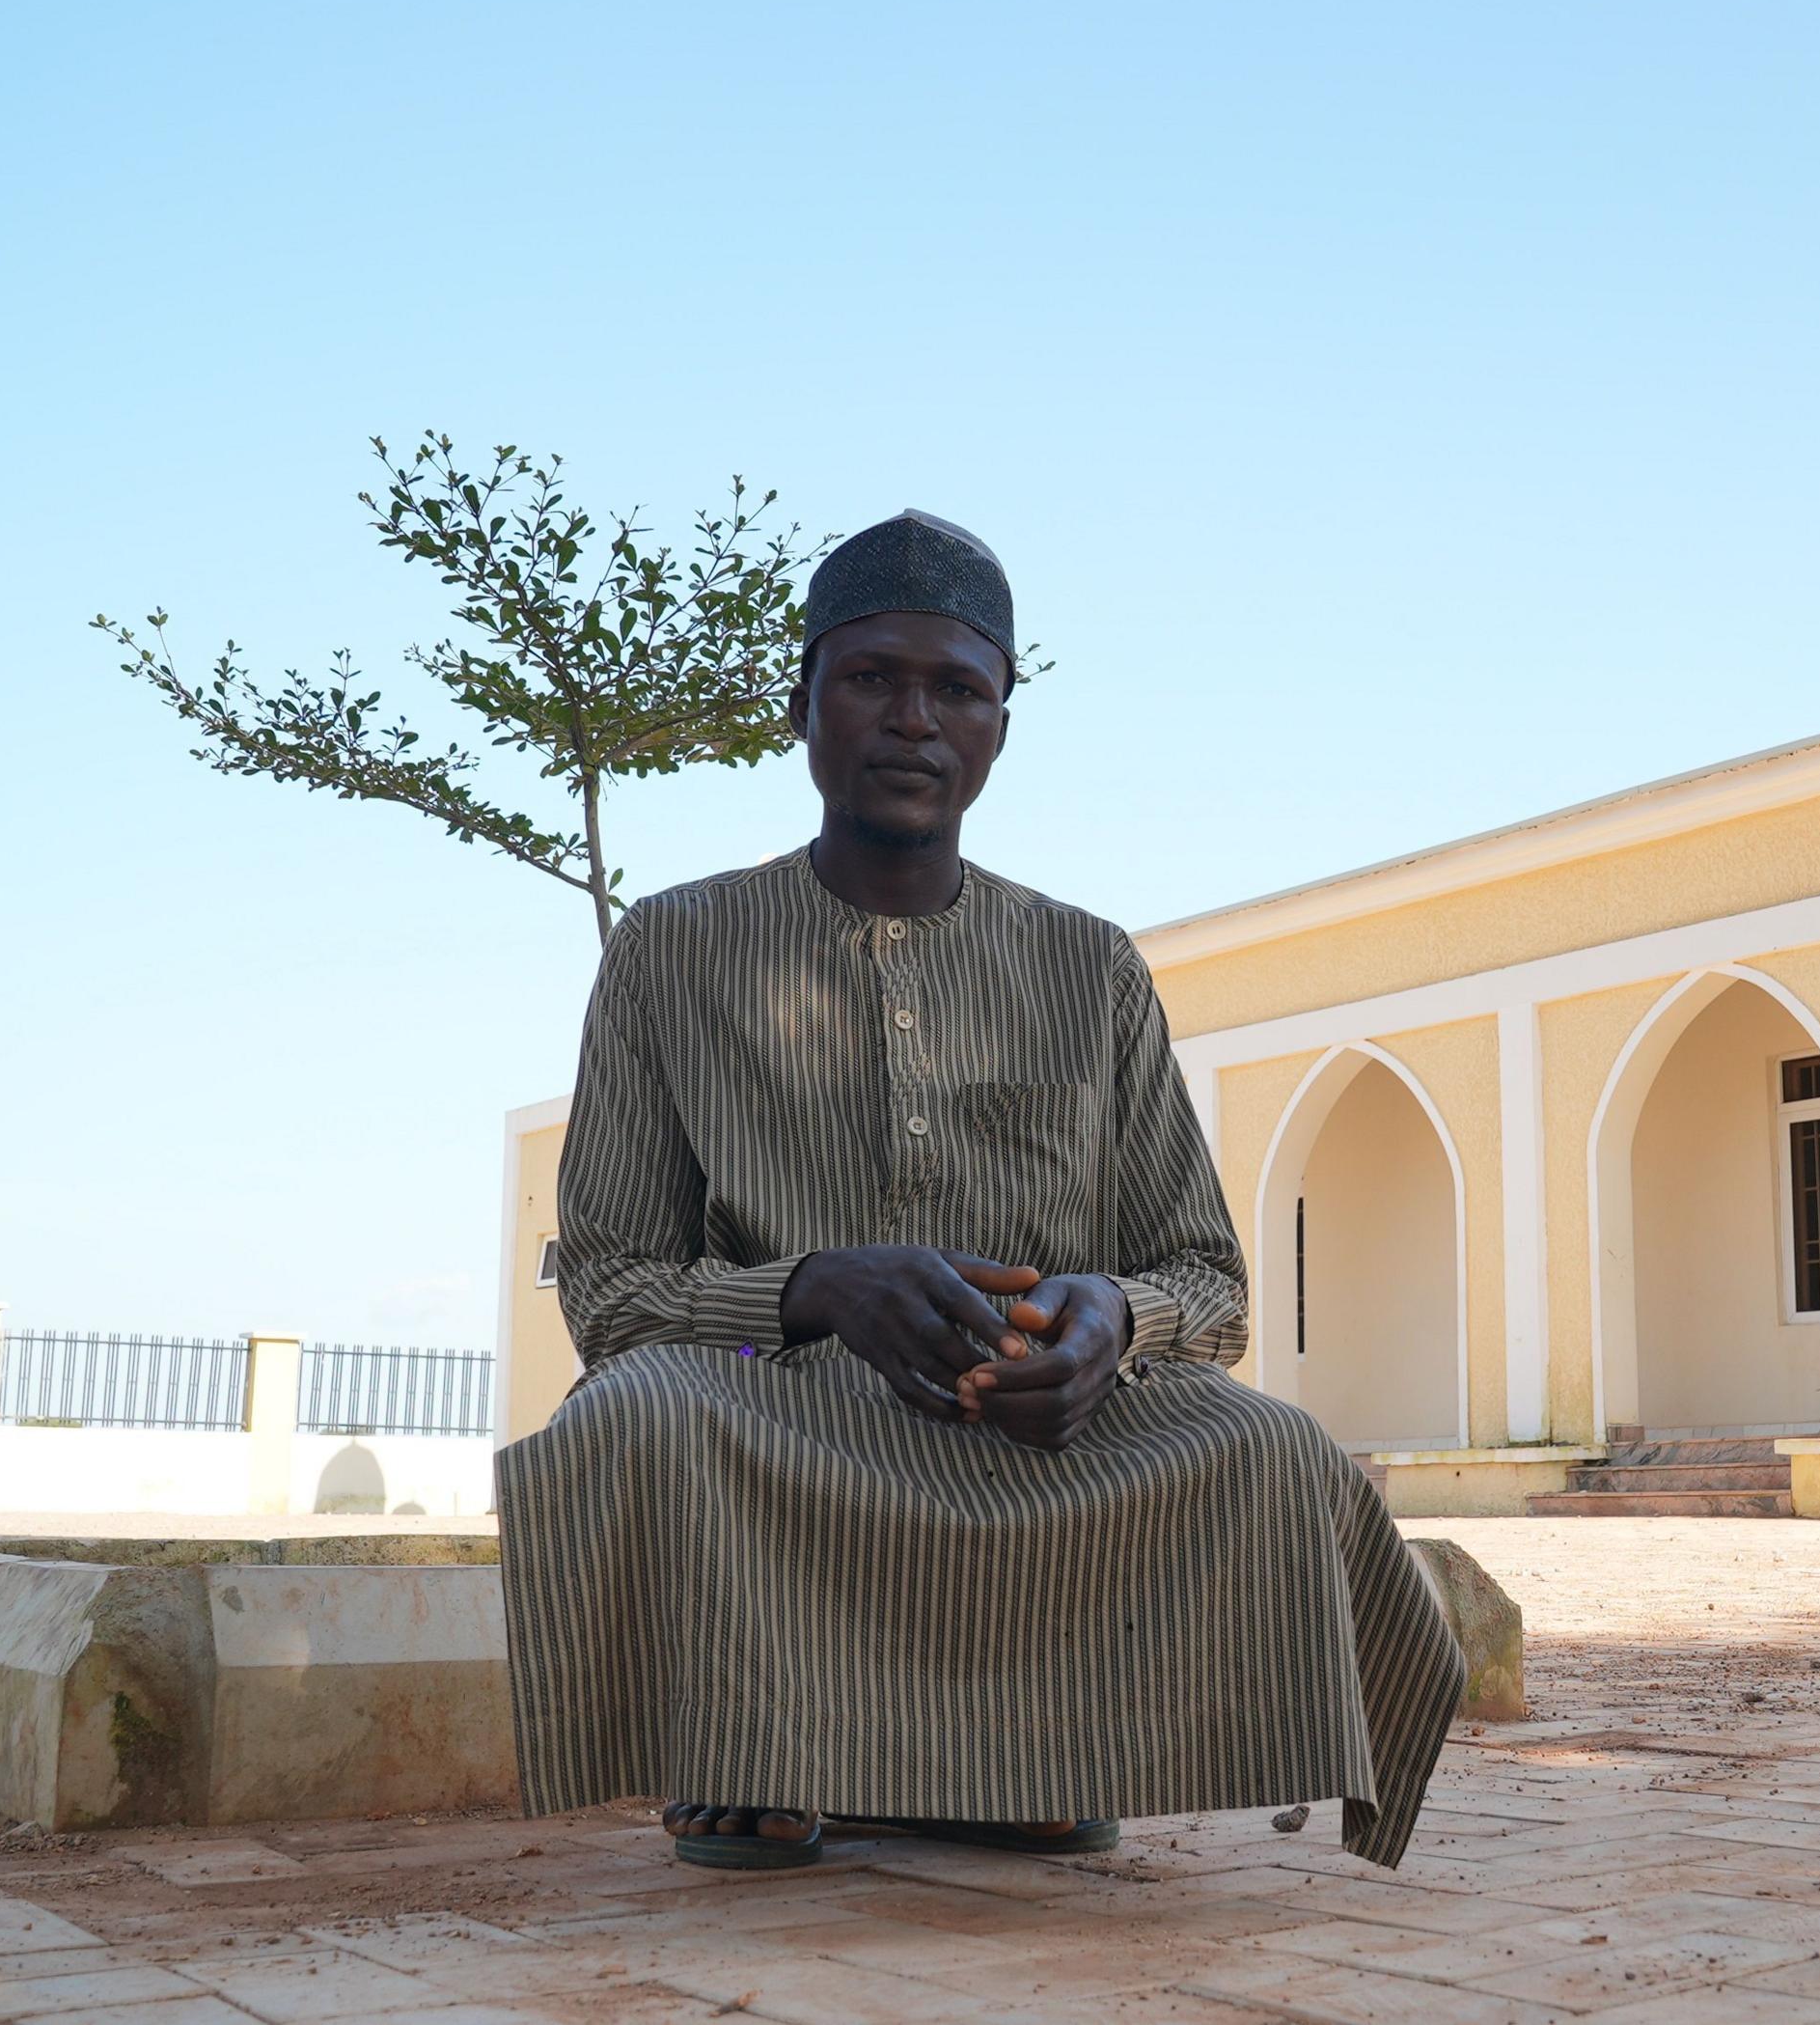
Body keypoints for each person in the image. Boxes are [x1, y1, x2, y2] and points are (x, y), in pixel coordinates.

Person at [497, 510, 1462, 1872]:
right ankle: (749, 1747)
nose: (914, 720)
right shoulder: (673, 947)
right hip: (783, 1419)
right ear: (804, 705)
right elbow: (611, 1291)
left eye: (959, 688)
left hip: (1038, 1430)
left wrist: (1111, 1326)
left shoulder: (1091, 967)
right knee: (633, 1409)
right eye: (872, 678)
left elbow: (1209, 1282)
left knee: (1272, 1448)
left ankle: (1033, 1757)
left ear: (1001, 728)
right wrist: (815, 1289)